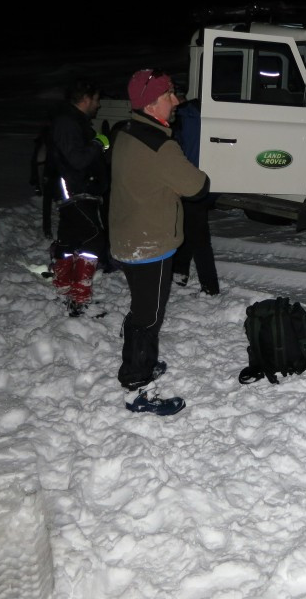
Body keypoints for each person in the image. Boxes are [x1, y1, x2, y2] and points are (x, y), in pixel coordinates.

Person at [109, 69, 210, 416]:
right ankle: (137, 387)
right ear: (152, 104)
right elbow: (197, 186)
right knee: (148, 317)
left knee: (142, 310)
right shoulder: (161, 146)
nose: (177, 101)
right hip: (149, 245)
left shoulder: (126, 132)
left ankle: (141, 362)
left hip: (127, 239)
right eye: (170, 95)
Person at [48, 80, 110, 316]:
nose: (99, 104)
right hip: (75, 191)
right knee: (93, 240)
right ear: (86, 99)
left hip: (77, 190)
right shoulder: (68, 122)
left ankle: (64, 289)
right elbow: (77, 160)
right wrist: (97, 143)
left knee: (70, 238)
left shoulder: (72, 120)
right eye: (96, 99)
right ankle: (79, 299)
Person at [172, 96, 220, 295]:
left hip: (190, 182)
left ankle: (210, 287)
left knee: (197, 234)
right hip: (209, 181)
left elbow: (175, 150)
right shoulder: (217, 111)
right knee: (190, 227)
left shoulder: (182, 117)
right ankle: (180, 273)